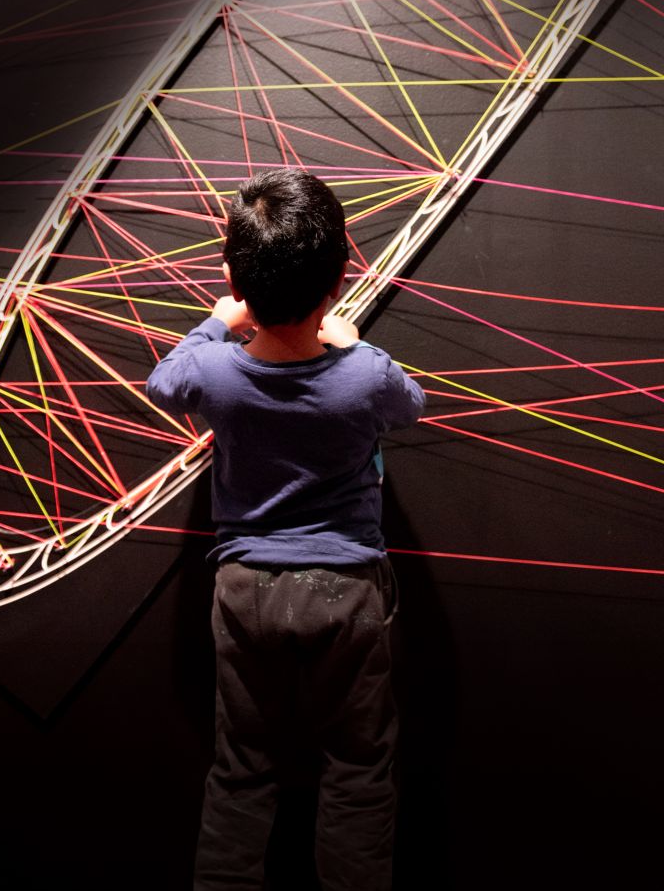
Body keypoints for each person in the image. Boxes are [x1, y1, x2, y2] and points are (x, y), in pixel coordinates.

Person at [146, 167, 425, 891]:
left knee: (242, 771)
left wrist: (218, 320)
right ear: (342, 272)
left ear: (236, 279)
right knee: (359, 770)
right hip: (348, 587)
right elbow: (411, 406)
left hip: (245, 589)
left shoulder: (213, 371)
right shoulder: (365, 374)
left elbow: (162, 384)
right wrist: (353, 342)